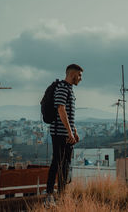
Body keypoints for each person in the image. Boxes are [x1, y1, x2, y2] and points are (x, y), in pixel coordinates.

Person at [45, 64, 83, 206]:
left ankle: (62, 195)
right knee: (57, 163)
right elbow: (61, 109)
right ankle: (49, 194)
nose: (80, 79)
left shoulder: (69, 90)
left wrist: (74, 131)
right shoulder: (62, 88)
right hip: (59, 133)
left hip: (67, 134)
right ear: (72, 74)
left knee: (65, 165)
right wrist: (69, 132)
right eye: (79, 75)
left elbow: (69, 113)